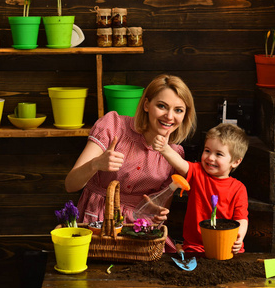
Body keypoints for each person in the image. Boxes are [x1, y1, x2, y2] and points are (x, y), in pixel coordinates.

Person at [65, 74, 196, 252]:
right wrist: (96, 164)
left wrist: (155, 214)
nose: (169, 116)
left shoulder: (174, 155)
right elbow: (70, 184)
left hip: (138, 234)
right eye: (162, 106)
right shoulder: (114, 126)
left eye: (179, 110)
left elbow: (160, 211)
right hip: (97, 222)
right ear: (146, 105)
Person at [153, 122, 249, 254]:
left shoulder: (238, 188)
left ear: (236, 161)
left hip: (227, 247)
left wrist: (239, 237)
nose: (210, 158)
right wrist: (165, 149)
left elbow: (241, 218)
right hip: (195, 246)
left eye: (219, 154)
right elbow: (181, 164)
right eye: (207, 150)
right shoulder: (198, 172)